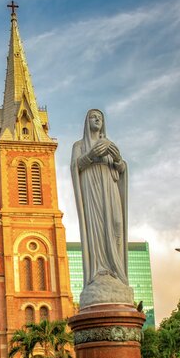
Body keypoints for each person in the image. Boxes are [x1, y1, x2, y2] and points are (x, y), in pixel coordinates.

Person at [71, 109, 130, 307]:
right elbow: (75, 167)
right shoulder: (79, 146)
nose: (97, 120)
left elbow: (121, 169)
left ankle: (115, 271)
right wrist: (90, 156)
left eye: (100, 117)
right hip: (92, 191)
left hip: (110, 190)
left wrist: (119, 159)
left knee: (116, 224)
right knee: (96, 229)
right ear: (86, 122)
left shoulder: (110, 144)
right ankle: (99, 270)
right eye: (92, 117)